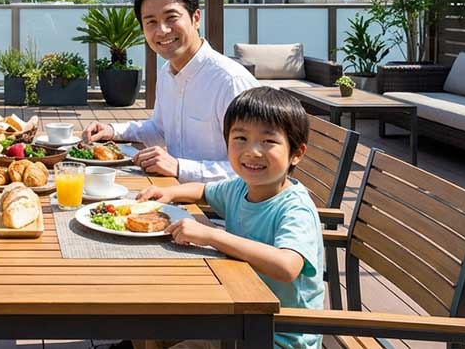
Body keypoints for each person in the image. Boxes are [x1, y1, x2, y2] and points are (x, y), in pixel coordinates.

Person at [137, 86, 325, 349]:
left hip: (278, 334)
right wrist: (168, 192)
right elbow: (203, 190)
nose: (252, 151)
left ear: (296, 153)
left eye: (268, 141)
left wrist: (214, 236)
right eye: (240, 138)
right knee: (152, 325)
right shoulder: (240, 187)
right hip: (239, 311)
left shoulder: (294, 208)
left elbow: (287, 266)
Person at [83, 0, 258, 181]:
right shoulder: (167, 72)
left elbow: (257, 166)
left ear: (196, 18)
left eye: (171, 18)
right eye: (151, 22)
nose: (162, 30)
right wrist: (111, 130)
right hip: (176, 193)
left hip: (221, 209)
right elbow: (159, 129)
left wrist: (179, 167)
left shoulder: (230, 81)